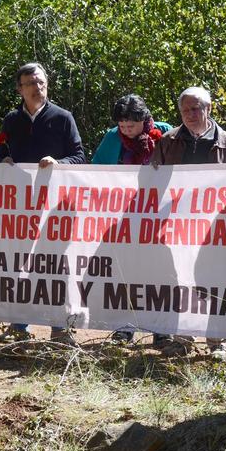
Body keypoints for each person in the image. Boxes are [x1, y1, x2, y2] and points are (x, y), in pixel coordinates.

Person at [0, 62, 85, 344]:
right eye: (31, 83)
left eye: (41, 82)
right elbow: (1, 149)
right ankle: (20, 325)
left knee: (57, 265)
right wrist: (2, 159)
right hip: (21, 207)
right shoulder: (11, 120)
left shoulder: (63, 117)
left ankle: (61, 328)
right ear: (20, 89)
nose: (37, 87)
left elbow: (80, 156)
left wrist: (59, 163)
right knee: (20, 263)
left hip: (56, 207)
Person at [150, 86, 226, 360]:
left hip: (215, 229)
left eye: (195, 108)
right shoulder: (167, 141)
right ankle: (183, 338)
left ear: (209, 109)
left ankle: (217, 342)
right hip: (177, 228)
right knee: (179, 281)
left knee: (214, 281)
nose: (190, 114)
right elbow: (153, 186)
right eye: (185, 110)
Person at [91, 94, 172, 344]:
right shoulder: (112, 137)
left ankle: (161, 330)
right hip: (123, 218)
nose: (125, 130)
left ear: (144, 119)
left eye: (131, 125)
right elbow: (96, 169)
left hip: (158, 216)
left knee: (158, 273)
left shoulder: (165, 132)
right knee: (126, 271)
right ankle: (125, 326)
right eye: (122, 125)